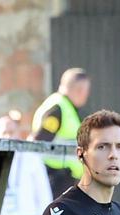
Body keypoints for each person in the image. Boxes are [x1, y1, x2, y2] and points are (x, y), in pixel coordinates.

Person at [32, 68, 89, 197]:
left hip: (63, 177)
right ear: (79, 90)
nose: (85, 95)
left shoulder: (66, 107)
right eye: (85, 90)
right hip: (56, 177)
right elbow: (39, 142)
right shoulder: (57, 110)